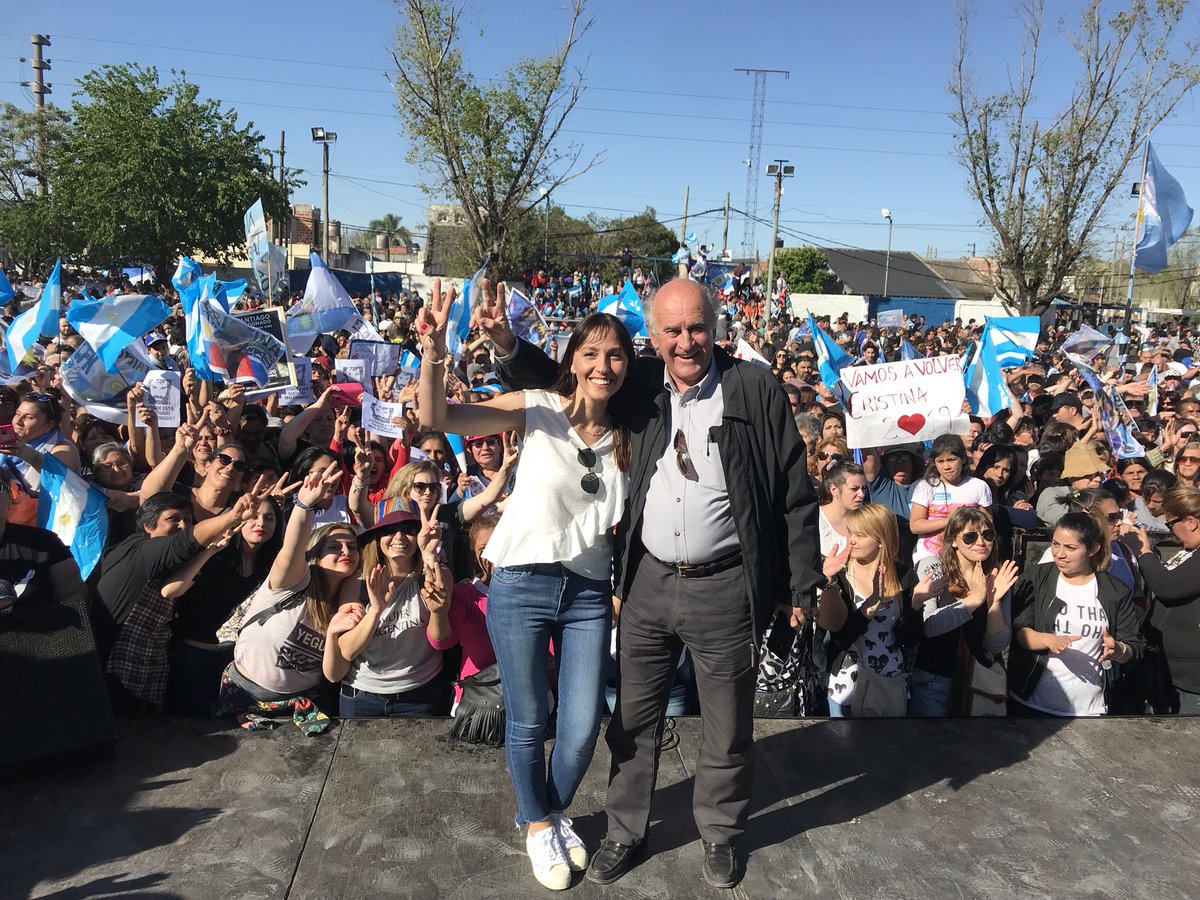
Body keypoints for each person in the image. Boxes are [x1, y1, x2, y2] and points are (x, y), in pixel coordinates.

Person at [491, 277, 821, 890]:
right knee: (633, 720)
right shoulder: (640, 382)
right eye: (671, 330)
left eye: (696, 327)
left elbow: (793, 492)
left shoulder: (753, 386)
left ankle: (720, 833)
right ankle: (624, 830)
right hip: (644, 583)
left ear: (717, 326)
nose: (686, 341)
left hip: (725, 586)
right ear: (654, 334)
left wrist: (801, 584)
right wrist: (511, 347)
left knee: (726, 722)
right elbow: (570, 379)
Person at [418, 284, 634, 893]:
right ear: (571, 360)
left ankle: (542, 812)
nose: (602, 367)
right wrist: (434, 348)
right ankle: (541, 825)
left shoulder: (632, 433)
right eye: (590, 354)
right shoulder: (537, 406)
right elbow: (440, 417)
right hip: (521, 585)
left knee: (584, 722)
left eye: (615, 355)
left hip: (590, 593)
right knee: (529, 717)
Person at [218, 461, 361, 734]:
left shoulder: (349, 601)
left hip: (304, 706)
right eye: (334, 546)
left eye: (352, 546)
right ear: (315, 553)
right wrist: (304, 506)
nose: (345, 550)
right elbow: (293, 546)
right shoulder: (293, 580)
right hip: (245, 701)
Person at [1008, 511, 1144, 717]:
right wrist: (1048, 640)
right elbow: (1019, 632)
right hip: (1032, 702)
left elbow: (1134, 646)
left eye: (1070, 548)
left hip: (1091, 708)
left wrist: (1118, 650)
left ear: (1093, 549)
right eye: (1055, 544)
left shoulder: (1115, 590)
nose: (1059, 554)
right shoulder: (1037, 578)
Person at [324, 504, 453, 717]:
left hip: (419, 695)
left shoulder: (436, 577)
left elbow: (440, 638)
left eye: (409, 530)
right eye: (388, 530)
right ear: (376, 539)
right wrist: (376, 609)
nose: (399, 536)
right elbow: (347, 649)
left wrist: (429, 556)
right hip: (363, 696)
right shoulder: (357, 583)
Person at [161, 495, 284, 716]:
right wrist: (210, 551)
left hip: (235, 663)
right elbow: (171, 590)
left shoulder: (271, 566)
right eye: (254, 516)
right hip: (193, 654)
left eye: (269, 518)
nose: (261, 524)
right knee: (188, 729)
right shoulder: (218, 554)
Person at [817, 504, 934, 717]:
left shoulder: (903, 574)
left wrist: (916, 605)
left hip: (889, 681)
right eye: (850, 531)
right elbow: (838, 637)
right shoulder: (841, 574)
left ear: (881, 539)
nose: (851, 539)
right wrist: (867, 605)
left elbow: (908, 639)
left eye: (860, 535)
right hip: (846, 686)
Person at [910, 508, 1019, 716]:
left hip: (976, 678)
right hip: (933, 676)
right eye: (970, 536)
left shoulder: (996, 575)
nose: (981, 542)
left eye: (988, 535)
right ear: (952, 541)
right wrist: (974, 601)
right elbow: (929, 626)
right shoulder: (933, 567)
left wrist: (993, 602)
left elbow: (995, 645)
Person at [1129, 487, 1200, 714]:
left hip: (1191, 676)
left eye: (1171, 525)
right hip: (1172, 666)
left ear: (1190, 522)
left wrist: (1144, 553)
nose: (1172, 533)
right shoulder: (1193, 551)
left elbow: (1167, 586)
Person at [909, 434, 993, 569]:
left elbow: (987, 523)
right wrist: (950, 520)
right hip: (930, 555)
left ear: (963, 459)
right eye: (940, 461)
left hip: (967, 557)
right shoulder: (925, 486)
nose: (946, 466)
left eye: (951, 459)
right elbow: (915, 525)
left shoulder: (979, 486)